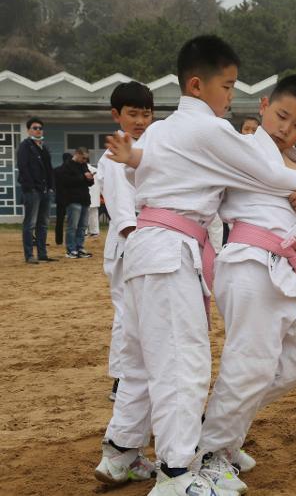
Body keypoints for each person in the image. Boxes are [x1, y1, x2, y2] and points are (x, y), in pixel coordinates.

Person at [100, 35, 296, 496]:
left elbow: (143, 167)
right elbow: (270, 174)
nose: (231, 96)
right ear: (198, 85)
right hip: (172, 247)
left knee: (141, 359)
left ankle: (120, 453)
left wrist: (134, 157)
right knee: (182, 362)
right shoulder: (208, 129)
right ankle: (177, 473)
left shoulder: (160, 130)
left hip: (146, 248)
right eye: (228, 86)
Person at [198, 75, 296, 494]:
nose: (286, 129)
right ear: (263, 105)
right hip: (248, 265)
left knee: (292, 368)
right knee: (250, 364)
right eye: (281, 116)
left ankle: (219, 430)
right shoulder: (243, 150)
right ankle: (208, 456)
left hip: (283, 273)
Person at [93, 81, 157, 486]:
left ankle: (124, 452)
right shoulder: (113, 158)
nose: (139, 121)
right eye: (132, 114)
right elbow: (123, 215)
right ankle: (122, 447)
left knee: (137, 341)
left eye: (146, 114)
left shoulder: (146, 151)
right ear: (116, 116)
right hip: (132, 252)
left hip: (145, 250)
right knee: (135, 337)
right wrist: (141, 246)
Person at [17, 116, 56, 263]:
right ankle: (29, 255)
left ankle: (42, 254)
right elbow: (23, 167)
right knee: (30, 223)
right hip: (32, 191)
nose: (38, 130)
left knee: (43, 223)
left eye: (40, 128)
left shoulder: (43, 147)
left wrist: (51, 187)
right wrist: (31, 187)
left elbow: (49, 169)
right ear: (28, 130)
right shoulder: (25, 146)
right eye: (35, 128)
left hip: (45, 190)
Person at [58, 147, 94, 259]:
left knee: (83, 226)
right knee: (72, 226)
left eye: (86, 159)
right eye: (83, 158)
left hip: (85, 199)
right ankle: (70, 249)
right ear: (77, 154)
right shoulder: (66, 166)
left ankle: (80, 247)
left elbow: (90, 183)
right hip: (73, 200)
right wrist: (83, 177)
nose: (84, 161)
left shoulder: (84, 166)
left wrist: (90, 178)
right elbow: (66, 182)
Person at [53, 152, 73, 246]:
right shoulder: (72, 171)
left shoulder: (56, 170)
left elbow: (53, 184)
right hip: (71, 198)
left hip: (60, 197)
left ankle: (59, 240)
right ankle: (70, 240)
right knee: (72, 221)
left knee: (59, 220)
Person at [87, 159, 101, 237]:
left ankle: (85, 231)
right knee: (94, 215)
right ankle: (95, 231)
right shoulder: (96, 170)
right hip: (95, 196)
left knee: (84, 215)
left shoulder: (82, 170)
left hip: (86, 196)